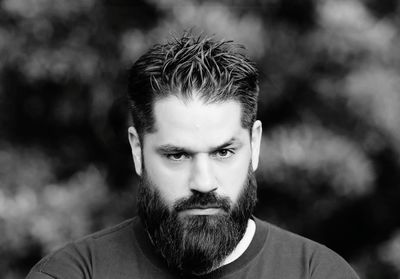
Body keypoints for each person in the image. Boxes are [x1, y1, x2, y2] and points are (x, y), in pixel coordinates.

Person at [26, 33, 359, 279]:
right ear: (138, 150)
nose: (203, 182)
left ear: (254, 145)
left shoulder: (317, 273)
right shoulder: (73, 273)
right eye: (177, 156)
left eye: (224, 152)